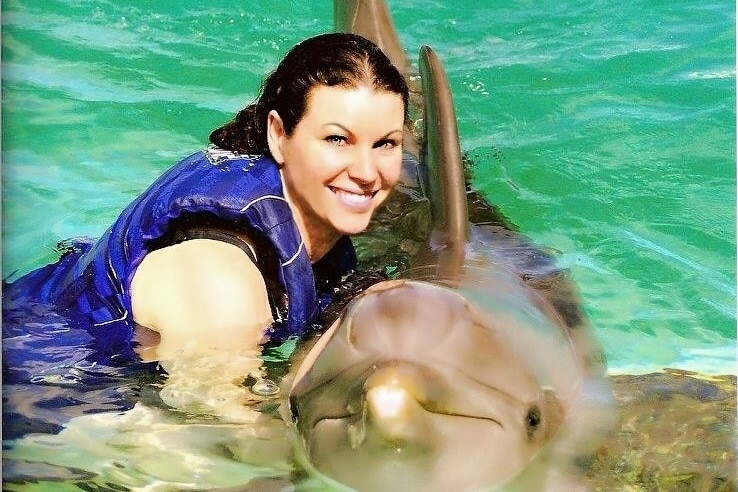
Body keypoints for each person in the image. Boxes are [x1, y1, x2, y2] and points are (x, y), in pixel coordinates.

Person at [3, 32, 409, 374]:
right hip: (45, 380)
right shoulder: (222, 286)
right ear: (278, 135)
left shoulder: (297, 220)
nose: (367, 172)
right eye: (337, 139)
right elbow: (211, 444)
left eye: (385, 144)